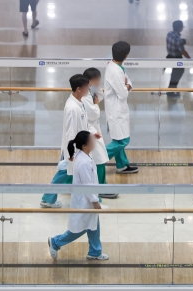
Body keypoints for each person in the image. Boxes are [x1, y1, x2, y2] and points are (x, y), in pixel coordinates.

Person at [48, 131, 108, 260]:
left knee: (93, 226)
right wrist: (96, 202)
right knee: (79, 229)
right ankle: (55, 242)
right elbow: (87, 186)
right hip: (84, 202)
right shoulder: (83, 162)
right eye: (92, 141)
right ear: (85, 146)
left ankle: (95, 252)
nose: (94, 143)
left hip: (87, 200)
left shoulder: (83, 156)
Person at [41, 74, 99, 208]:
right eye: (86, 87)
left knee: (65, 173)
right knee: (63, 173)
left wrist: (93, 132)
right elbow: (71, 132)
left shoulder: (79, 103)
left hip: (76, 147)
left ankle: (48, 197)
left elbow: (84, 122)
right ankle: (47, 198)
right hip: (73, 148)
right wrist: (72, 153)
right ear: (79, 89)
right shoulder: (72, 108)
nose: (88, 90)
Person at [82, 68, 118, 199]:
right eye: (97, 80)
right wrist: (96, 104)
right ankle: (100, 187)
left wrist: (96, 91)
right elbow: (93, 114)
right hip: (90, 129)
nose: (99, 82)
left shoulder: (90, 90)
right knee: (99, 159)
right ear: (90, 81)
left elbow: (100, 96)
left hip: (93, 128)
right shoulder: (85, 95)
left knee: (99, 158)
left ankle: (100, 185)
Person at [104, 41, 139, 175]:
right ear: (126, 55)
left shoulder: (117, 66)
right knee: (123, 140)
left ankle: (122, 165)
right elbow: (123, 93)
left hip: (118, 109)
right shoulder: (114, 71)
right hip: (116, 110)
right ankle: (96, 158)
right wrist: (128, 86)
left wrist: (127, 84)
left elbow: (128, 81)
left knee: (118, 139)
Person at [166, 20, 191, 97]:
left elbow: (174, 43)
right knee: (178, 73)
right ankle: (171, 91)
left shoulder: (169, 34)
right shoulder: (178, 40)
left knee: (174, 73)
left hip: (170, 56)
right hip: (177, 58)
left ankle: (172, 88)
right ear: (180, 28)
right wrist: (190, 59)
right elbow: (182, 51)